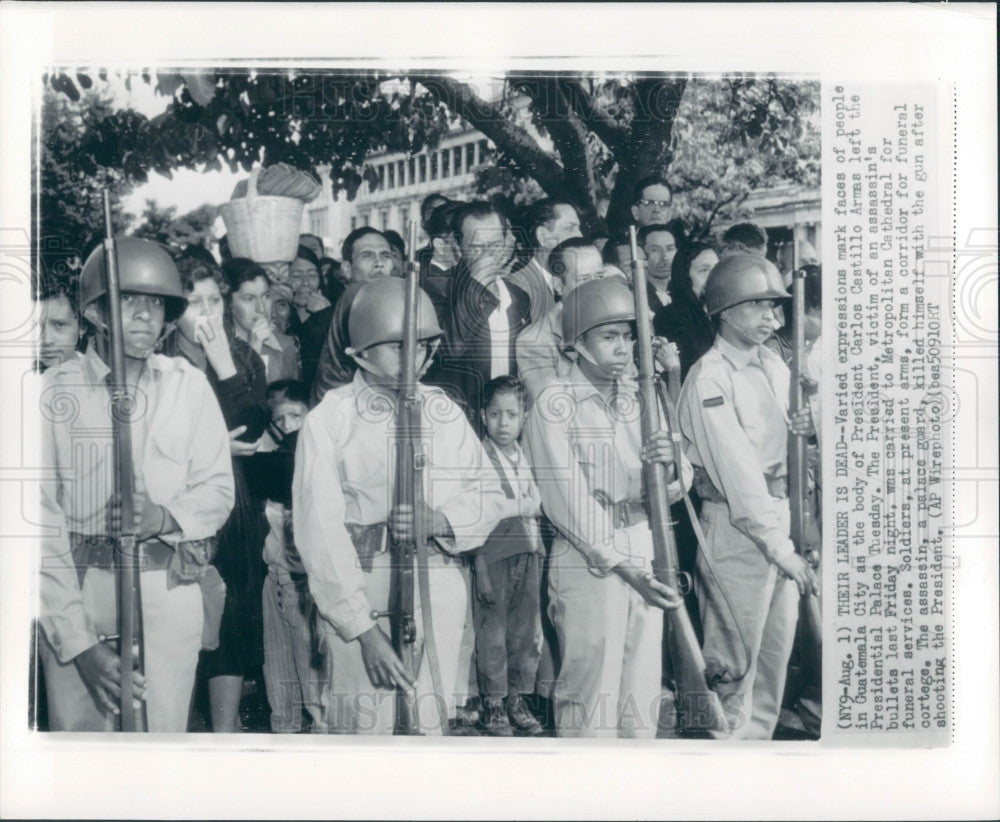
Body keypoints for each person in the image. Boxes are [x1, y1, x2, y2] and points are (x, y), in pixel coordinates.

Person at [292, 277, 506, 734]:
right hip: (365, 588)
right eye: (399, 348)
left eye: (426, 347)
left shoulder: (443, 409)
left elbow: (487, 491)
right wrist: (362, 631)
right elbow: (321, 534)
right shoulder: (331, 419)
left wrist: (442, 520)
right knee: (363, 732)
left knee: (429, 727)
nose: (418, 360)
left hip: (439, 581)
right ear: (361, 352)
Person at [38, 238, 234, 731]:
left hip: (166, 586)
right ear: (99, 311)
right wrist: (79, 645)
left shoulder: (188, 386)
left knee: (160, 746)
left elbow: (217, 490)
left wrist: (164, 517)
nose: (146, 316)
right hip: (78, 591)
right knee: (81, 766)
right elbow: (39, 526)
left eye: (156, 304)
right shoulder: (52, 394)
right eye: (130, 300)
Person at [523, 277, 692, 738]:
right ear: (576, 345)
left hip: (644, 539)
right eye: (609, 336)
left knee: (640, 690)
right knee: (590, 694)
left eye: (628, 335)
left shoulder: (641, 395)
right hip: (589, 557)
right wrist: (620, 563)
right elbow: (567, 497)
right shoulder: (554, 405)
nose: (624, 347)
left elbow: (680, 483)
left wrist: (669, 463)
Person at [677, 253, 819, 740]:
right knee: (733, 674)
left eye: (773, 307)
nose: (771, 317)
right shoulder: (711, 377)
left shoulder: (774, 365)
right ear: (726, 310)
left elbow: (789, 457)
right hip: (739, 532)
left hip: (779, 519)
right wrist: (782, 549)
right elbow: (739, 477)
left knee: (771, 676)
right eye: (758, 305)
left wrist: (811, 426)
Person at [162, 254, 270, 733]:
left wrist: (225, 361)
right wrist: (212, 447)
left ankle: (225, 734)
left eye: (213, 301)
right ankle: (174, 727)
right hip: (180, 500)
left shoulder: (239, 355)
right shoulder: (160, 360)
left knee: (234, 615)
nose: (205, 314)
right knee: (182, 618)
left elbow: (253, 424)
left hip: (235, 504)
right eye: (192, 303)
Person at [245, 379, 327, 733]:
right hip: (273, 580)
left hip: (305, 587)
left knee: (317, 691)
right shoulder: (268, 460)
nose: (290, 424)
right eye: (281, 419)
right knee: (280, 687)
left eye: (297, 415)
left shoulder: (316, 456)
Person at [470, 376, 544, 737]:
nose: (503, 423)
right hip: (495, 556)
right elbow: (482, 513)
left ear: (524, 416)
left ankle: (517, 696)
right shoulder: (478, 458)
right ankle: (494, 701)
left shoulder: (523, 456)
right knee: (493, 633)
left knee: (525, 632)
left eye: (511, 415)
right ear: (484, 416)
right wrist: (480, 566)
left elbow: (535, 505)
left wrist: (526, 509)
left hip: (528, 554)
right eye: (495, 414)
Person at [425, 200, 531, 429]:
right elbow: (444, 352)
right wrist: (476, 289)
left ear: (506, 242)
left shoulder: (520, 297)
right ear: (458, 246)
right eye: (476, 247)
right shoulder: (436, 290)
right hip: (457, 427)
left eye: (494, 245)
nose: (487, 256)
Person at [308, 227, 395, 404]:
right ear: (347, 269)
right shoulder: (319, 325)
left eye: (386, 255)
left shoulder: (397, 308)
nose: (379, 263)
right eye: (367, 255)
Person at [515, 237, 605, 406]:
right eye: (584, 279)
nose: (595, 287)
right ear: (558, 285)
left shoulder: (616, 327)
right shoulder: (534, 341)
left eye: (599, 277)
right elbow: (552, 406)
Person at [221, 257, 299, 383]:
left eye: (265, 296)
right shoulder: (220, 349)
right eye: (249, 299)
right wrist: (252, 353)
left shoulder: (284, 345)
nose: (261, 308)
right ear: (228, 303)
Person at [507, 198, 583, 325]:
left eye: (579, 228)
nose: (580, 235)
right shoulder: (517, 289)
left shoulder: (572, 281)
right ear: (543, 236)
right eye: (570, 228)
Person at [653, 241, 720, 381]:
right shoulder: (669, 317)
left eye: (716, 269)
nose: (713, 276)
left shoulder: (722, 312)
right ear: (685, 277)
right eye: (704, 270)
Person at [35, 280, 84, 371]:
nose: (46, 340)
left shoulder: (94, 373)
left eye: (59, 324)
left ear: (82, 327)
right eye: (36, 327)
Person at [638, 223, 681, 313]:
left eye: (670, 249)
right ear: (641, 253)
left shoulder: (684, 291)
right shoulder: (638, 295)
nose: (665, 257)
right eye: (655, 250)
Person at [287, 245, 330, 328]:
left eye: (312, 275)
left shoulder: (335, 315)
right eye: (297, 276)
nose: (306, 282)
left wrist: (326, 315)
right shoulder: (277, 317)